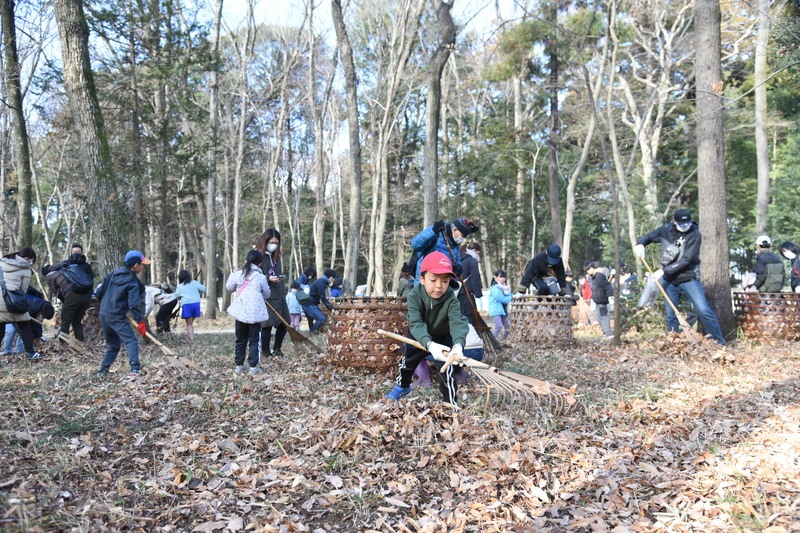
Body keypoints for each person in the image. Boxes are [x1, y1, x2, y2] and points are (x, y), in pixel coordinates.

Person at [386, 252, 469, 406]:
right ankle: (403, 387)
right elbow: (415, 323)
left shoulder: (451, 299)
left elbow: (458, 322)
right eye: (433, 280)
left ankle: (450, 402)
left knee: (446, 369)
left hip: (442, 336)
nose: (439, 285)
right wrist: (429, 344)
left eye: (445, 281)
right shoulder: (414, 295)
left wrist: (458, 345)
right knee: (407, 364)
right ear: (422, 279)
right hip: (418, 335)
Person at [634, 208, 726, 344]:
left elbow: (687, 260)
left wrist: (663, 271)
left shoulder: (694, 234)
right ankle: (673, 342)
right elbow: (648, 237)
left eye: (687, 224)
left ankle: (718, 342)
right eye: (681, 224)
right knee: (671, 313)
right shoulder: (666, 230)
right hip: (670, 281)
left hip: (689, 277)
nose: (685, 227)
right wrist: (641, 244)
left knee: (703, 309)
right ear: (674, 222)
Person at [94, 251, 150, 377]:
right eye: (142, 264)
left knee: (113, 344)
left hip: (104, 313)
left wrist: (108, 305)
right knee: (131, 340)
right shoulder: (132, 281)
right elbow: (133, 304)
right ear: (135, 265)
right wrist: (140, 321)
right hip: (116, 316)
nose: (143, 267)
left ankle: (103, 370)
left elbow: (100, 292)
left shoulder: (112, 274)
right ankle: (135, 369)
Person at [226, 250, 271, 375]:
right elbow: (267, 294)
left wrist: (233, 274)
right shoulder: (261, 278)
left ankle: (239, 365)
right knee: (254, 340)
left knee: (240, 339)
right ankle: (253, 367)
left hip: (240, 313)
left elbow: (229, 288)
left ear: (246, 261)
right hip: (254, 314)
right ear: (260, 264)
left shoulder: (238, 274)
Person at [0, 248, 47, 362]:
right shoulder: (25, 268)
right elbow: (23, 290)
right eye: (32, 260)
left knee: (1, 328)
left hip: (0, 301)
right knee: (25, 324)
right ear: (27, 259)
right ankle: (30, 353)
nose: (31, 263)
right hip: (13, 302)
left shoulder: (2, 263)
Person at [255, 229, 291, 358]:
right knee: (267, 324)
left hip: (279, 294)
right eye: (271, 242)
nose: (274, 245)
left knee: (285, 322)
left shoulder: (277, 257)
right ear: (265, 241)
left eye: (276, 242)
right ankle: (266, 351)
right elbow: (253, 276)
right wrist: (267, 278)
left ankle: (277, 349)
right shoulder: (258, 256)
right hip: (267, 296)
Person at [410, 217, 480, 283]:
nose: (462, 239)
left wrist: (458, 267)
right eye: (462, 236)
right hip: (425, 281)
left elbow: (457, 261)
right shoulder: (435, 232)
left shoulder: (456, 245)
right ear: (455, 230)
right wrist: (433, 231)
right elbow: (415, 244)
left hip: (443, 284)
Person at [50, 244, 95, 341]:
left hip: (82, 297)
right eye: (74, 252)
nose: (76, 254)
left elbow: (91, 281)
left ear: (82, 253)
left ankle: (65, 343)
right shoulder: (65, 265)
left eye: (78, 252)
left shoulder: (86, 266)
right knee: (73, 321)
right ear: (71, 253)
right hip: (73, 296)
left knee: (70, 321)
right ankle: (72, 342)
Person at [3, 288, 54, 355]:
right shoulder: (30, 309)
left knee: (26, 331)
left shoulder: (37, 309)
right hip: (9, 315)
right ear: (40, 312)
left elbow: (34, 325)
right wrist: (24, 334)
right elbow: (20, 326)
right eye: (43, 317)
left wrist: (39, 335)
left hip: (18, 319)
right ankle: (7, 351)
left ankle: (18, 350)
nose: (42, 319)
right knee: (12, 330)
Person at [585, 261, 614, 338]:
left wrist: (610, 296)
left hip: (603, 301)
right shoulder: (593, 277)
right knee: (598, 316)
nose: (587, 272)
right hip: (597, 301)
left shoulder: (599, 276)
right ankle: (605, 331)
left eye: (587, 270)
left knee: (604, 317)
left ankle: (609, 333)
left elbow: (607, 286)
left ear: (591, 268)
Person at [175, 270, 206, 341]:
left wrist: (181, 298)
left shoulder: (180, 286)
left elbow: (176, 295)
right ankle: (191, 336)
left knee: (189, 324)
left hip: (187, 305)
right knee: (191, 322)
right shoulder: (195, 283)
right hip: (196, 304)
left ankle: (191, 338)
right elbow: (203, 289)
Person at [304, 268, 336, 334]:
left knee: (311, 319)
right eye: (333, 278)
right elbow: (322, 297)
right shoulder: (321, 283)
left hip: (308, 303)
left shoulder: (321, 281)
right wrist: (330, 307)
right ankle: (313, 332)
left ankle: (312, 331)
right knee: (321, 318)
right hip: (309, 304)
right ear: (330, 278)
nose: (333, 280)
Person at [458, 243, 483, 322]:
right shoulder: (472, 261)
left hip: (456, 293)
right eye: (478, 253)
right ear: (474, 250)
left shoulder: (458, 258)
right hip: (467, 294)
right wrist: (478, 295)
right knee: (469, 319)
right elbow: (475, 279)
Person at [488, 269, 512, 340]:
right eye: (501, 277)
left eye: (504, 277)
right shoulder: (495, 289)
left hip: (502, 310)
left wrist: (513, 295)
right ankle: (491, 341)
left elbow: (508, 296)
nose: (503, 279)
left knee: (507, 326)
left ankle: (503, 340)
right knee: (498, 326)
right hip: (496, 310)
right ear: (496, 277)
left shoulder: (504, 287)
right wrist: (512, 297)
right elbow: (503, 299)